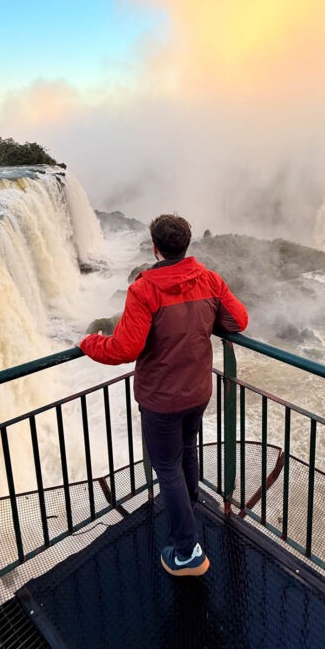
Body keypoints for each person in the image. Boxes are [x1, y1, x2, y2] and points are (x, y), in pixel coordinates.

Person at [79, 214, 248, 577]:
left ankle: (186, 553)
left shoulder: (145, 289)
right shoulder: (209, 279)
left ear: (155, 247)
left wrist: (89, 342)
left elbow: (124, 348)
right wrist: (204, 322)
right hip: (198, 389)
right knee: (186, 450)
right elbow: (238, 322)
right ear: (185, 245)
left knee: (166, 467)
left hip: (161, 398)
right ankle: (189, 505)